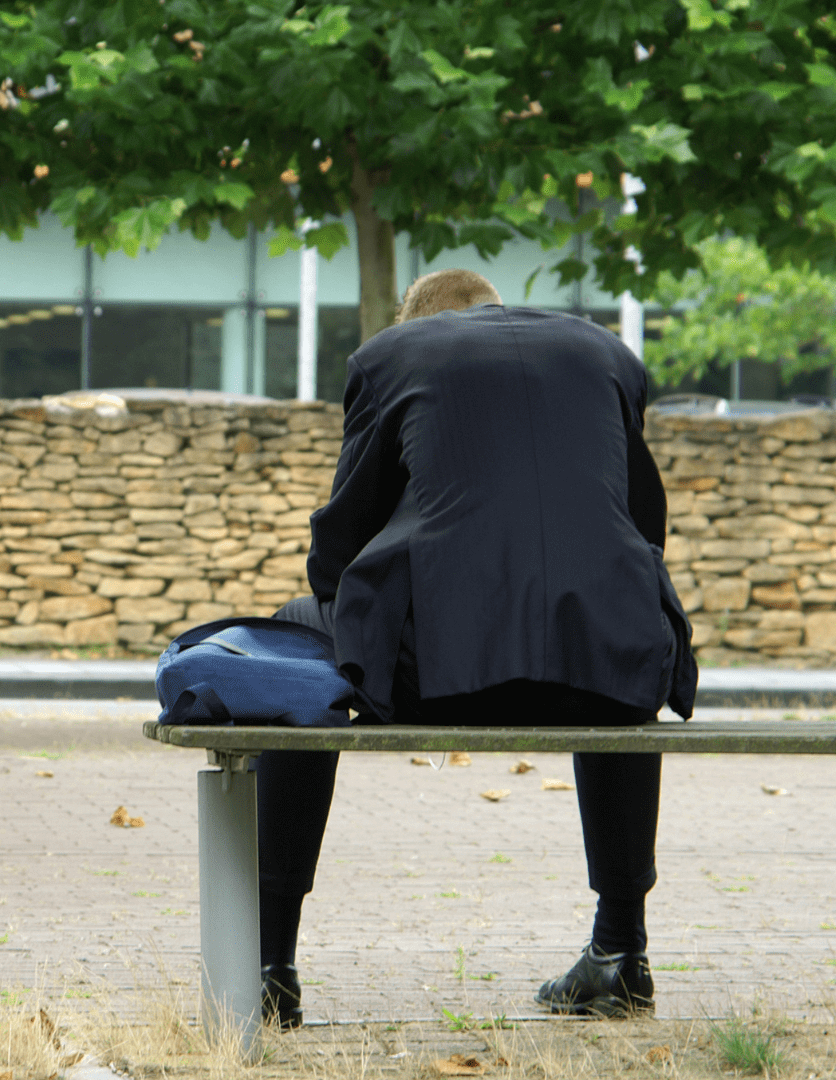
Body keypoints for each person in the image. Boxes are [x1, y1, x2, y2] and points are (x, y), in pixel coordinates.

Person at [257, 269, 697, 1027]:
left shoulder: (391, 358)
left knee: (292, 640)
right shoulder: (606, 355)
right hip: (607, 676)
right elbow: (643, 522)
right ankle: (622, 950)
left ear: (418, 322)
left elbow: (338, 551)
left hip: (434, 677)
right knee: (604, 632)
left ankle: (268, 963)